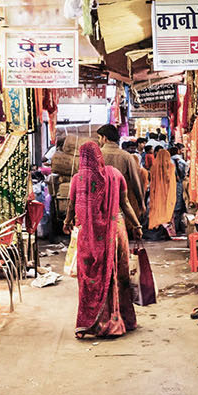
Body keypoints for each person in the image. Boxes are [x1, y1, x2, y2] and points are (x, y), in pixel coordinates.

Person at [63, 140, 141, 339]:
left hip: (88, 236)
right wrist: (137, 225)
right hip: (115, 232)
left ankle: (93, 323)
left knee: (89, 279)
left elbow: (71, 206)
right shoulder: (115, 175)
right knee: (118, 276)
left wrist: (67, 221)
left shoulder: (78, 179)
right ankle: (120, 320)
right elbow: (125, 203)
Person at [95, 124, 148, 228]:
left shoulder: (96, 155)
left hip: (99, 204)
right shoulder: (126, 156)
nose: (99, 141)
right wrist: (141, 202)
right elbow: (136, 182)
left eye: (99, 138)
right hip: (119, 203)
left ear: (104, 138)